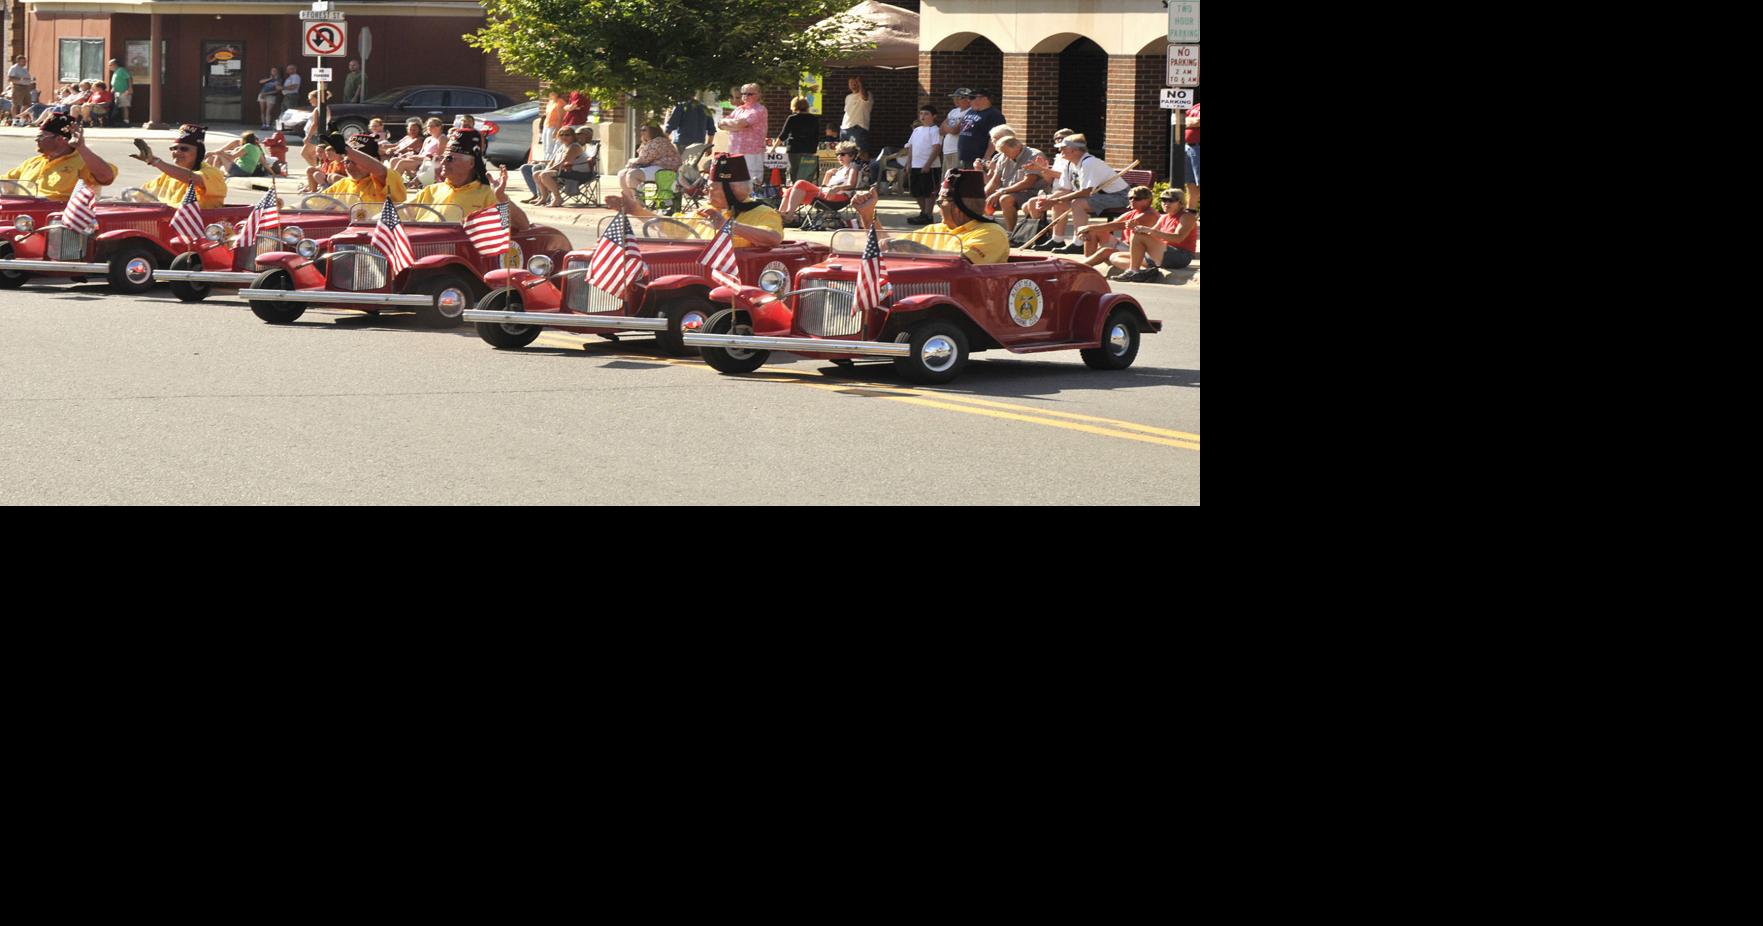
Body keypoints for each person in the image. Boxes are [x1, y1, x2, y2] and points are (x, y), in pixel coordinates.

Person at [607, 153, 782, 248]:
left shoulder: (762, 213)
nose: (706, 191)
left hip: (734, 282)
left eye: (712, 187)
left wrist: (727, 226)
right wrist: (635, 210)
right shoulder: (705, 211)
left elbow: (772, 239)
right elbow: (669, 227)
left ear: (731, 190)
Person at [849, 168, 1008, 265]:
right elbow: (885, 245)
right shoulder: (934, 230)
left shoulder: (992, 232)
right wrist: (867, 214)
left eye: (940, 202)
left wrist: (906, 246)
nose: (937, 209)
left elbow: (959, 262)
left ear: (958, 207)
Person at [412, 128, 530, 231]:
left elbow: (522, 226)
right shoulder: (430, 191)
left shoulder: (488, 194)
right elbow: (402, 216)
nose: (442, 162)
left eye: (449, 159)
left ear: (471, 163)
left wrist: (502, 198)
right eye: (442, 157)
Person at [1036, 134, 1130, 254]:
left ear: (1074, 150)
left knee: (1078, 203)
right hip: (1098, 196)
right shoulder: (1069, 164)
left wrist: (1054, 200)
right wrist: (1050, 200)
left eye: (1063, 148)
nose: (1060, 150)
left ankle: (1079, 243)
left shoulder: (1089, 163)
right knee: (1060, 202)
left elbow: (1086, 192)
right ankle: (1057, 240)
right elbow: (1065, 189)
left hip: (1119, 197)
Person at [2, 113, 116, 200]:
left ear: (60, 139)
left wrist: (82, 148)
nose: (36, 140)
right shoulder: (32, 162)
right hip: (22, 216)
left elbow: (106, 178)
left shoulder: (83, 162)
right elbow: (5, 181)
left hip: (58, 219)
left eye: (41, 137)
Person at [1111, 187, 1198, 282]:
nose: (1166, 203)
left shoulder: (1187, 217)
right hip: (1161, 253)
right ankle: (1145, 272)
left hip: (1180, 255)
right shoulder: (1163, 217)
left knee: (1138, 235)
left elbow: (1178, 238)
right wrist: (1135, 227)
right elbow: (1151, 235)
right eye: (1163, 200)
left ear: (1180, 203)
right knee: (1115, 256)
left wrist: (1149, 231)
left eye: (1171, 200)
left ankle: (1133, 271)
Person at [129, 124, 228, 208]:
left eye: (184, 149)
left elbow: (193, 179)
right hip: (167, 221)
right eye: (174, 148)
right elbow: (139, 196)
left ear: (199, 152)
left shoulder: (213, 173)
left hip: (200, 223)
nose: (177, 152)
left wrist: (155, 161)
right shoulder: (167, 176)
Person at [1076, 185, 1153, 272]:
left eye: (1136, 198)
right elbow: (1111, 225)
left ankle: (1080, 268)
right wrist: (1087, 231)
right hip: (1128, 246)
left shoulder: (1149, 214)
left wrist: (1088, 227)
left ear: (1147, 200)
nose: (1132, 201)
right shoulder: (1131, 213)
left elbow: (1119, 226)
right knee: (1092, 232)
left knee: (1105, 251)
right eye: (1130, 198)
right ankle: (1087, 264)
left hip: (1142, 252)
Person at [314, 132, 406, 205]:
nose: (349, 166)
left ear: (374, 159)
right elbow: (313, 205)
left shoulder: (390, 179)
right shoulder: (341, 185)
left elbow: (380, 171)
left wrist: (347, 150)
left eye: (355, 162)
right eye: (346, 161)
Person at [984, 135, 1049, 231]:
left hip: (1031, 193)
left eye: (1006, 152)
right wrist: (984, 194)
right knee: (983, 199)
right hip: (1010, 192)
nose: (1005, 156)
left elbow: (1028, 182)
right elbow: (995, 181)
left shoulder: (1034, 155)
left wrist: (1002, 191)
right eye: (1003, 152)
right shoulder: (1003, 156)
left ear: (1018, 147)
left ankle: (1011, 231)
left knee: (1005, 199)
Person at [779, 141, 859, 216]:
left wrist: (837, 188)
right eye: (837, 154)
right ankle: (780, 216)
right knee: (790, 190)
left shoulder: (852, 167)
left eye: (842, 154)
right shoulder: (840, 170)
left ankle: (789, 214)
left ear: (851, 155)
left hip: (838, 198)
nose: (839, 157)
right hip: (827, 195)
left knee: (800, 183)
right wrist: (827, 174)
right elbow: (824, 186)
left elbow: (851, 185)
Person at [531, 126, 593, 207]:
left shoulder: (574, 147)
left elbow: (563, 162)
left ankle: (558, 198)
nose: (564, 137)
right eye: (561, 135)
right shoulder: (562, 146)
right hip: (566, 171)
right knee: (536, 174)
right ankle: (544, 197)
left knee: (544, 175)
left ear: (573, 136)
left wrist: (546, 171)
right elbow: (552, 161)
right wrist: (546, 169)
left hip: (579, 174)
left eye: (567, 135)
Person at [718, 83, 769, 182]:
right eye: (744, 93)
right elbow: (720, 124)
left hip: (752, 152)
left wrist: (730, 125)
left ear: (759, 94)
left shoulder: (759, 109)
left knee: (751, 182)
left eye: (750, 94)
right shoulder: (739, 109)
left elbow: (742, 124)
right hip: (734, 151)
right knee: (735, 181)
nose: (746, 96)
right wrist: (734, 125)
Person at [617, 123, 682, 201]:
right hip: (653, 167)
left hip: (665, 170)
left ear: (653, 130)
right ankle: (630, 201)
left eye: (644, 130)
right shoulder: (647, 143)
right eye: (641, 130)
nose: (642, 132)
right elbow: (642, 160)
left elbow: (644, 160)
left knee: (632, 174)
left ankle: (639, 202)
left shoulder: (659, 141)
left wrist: (631, 161)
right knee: (622, 174)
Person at [904, 106, 943, 224]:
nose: (922, 116)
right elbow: (911, 146)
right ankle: (923, 213)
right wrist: (909, 162)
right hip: (915, 165)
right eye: (921, 113)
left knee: (928, 192)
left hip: (930, 167)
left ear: (934, 116)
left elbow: (936, 148)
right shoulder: (917, 130)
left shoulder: (935, 130)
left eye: (926, 114)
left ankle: (928, 215)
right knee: (917, 191)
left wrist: (928, 164)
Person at [956, 89, 1004, 169]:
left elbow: (995, 138)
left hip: (979, 160)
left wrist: (987, 157)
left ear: (984, 98)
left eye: (972, 98)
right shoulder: (970, 111)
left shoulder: (994, 115)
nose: (969, 100)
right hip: (964, 158)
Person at [777, 96, 820, 185]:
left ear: (794, 106)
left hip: (794, 149)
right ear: (807, 106)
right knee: (806, 173)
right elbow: (817, 136)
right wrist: (814, 148)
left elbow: (783, 135)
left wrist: (774, 147)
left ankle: (795, 189)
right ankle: (806, 190)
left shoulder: (792, 118)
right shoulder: (814, 118)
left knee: (794, 173)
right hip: (809, 149)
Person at [839, 76, 872, 158]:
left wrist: (861, 83)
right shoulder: (848, 97)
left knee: (861, 152)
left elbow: (864, 97)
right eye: (850, 83)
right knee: (845, 153)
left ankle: (864, 166)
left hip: (858, 127)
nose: (852, 84)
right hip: (845, 128)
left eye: (855, 82)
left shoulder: (867, 94)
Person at [941, 88, 970, 175]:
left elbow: (955, 130)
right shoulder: (953, 111)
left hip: (957, 150)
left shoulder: (970, 112)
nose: (955, 100)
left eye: (959, 98)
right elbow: (941, 130)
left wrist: (947, 127)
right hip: (947, 150)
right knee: (946, 178)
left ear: (968, 99)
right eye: (954, 98)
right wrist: (949, 128)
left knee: (955, 178)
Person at [1182, 101, 1200, 213]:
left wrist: (1186, 121)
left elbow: (1198, 121)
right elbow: (1178, 120)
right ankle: (1190, 213)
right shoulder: (1196, 106)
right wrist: (1187, 121)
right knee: (1190, 183)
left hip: (1198, 147)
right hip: (1188, 147)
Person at [539, 90, 565, 161]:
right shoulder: (550, 102)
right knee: (545, 146)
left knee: (550, 146)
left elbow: (560, 118)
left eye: (554, 91)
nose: (551, 93)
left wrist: (557, 130)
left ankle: (549, 162)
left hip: (554, 126)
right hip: (546, 126)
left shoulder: (560, 102)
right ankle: (545, 160)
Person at [7, 56, 33, 127]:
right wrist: (20, 79)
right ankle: (15, 121)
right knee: (15, 104)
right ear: (18, 61)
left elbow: (27, 78)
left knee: (26, 104)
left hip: (26, 87)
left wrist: (30, 81)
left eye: (25, 61)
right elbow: (10, 78)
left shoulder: (24, 69)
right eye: (23, 61)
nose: (25, 63)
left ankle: (22, 120)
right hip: (18, 87)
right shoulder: (14, 68)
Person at [108, 58, 131, 125]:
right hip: (117, 92)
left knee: (124, 106)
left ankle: (126, 121)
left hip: (124, 91)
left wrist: (130, 88)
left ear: (115, 64)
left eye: (110, 65)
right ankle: (118, 121)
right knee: (117, 107)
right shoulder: (115, 72)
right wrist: (113, 88)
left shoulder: (121, 70)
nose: (109, 67)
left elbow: (129, 78)